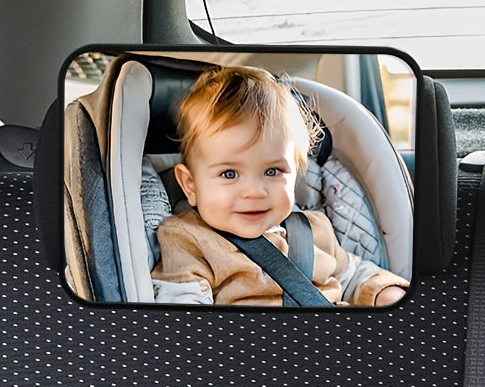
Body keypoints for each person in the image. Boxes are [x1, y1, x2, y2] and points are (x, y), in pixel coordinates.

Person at [151, 65, 409, 307]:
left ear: (295, 173)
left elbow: (351, 274)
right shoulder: (187, 240)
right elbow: (183, 311)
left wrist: (384, 293)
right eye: (229, 174)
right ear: (190, 185)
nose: (254, 192)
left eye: (272, 171)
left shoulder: (314, 228)